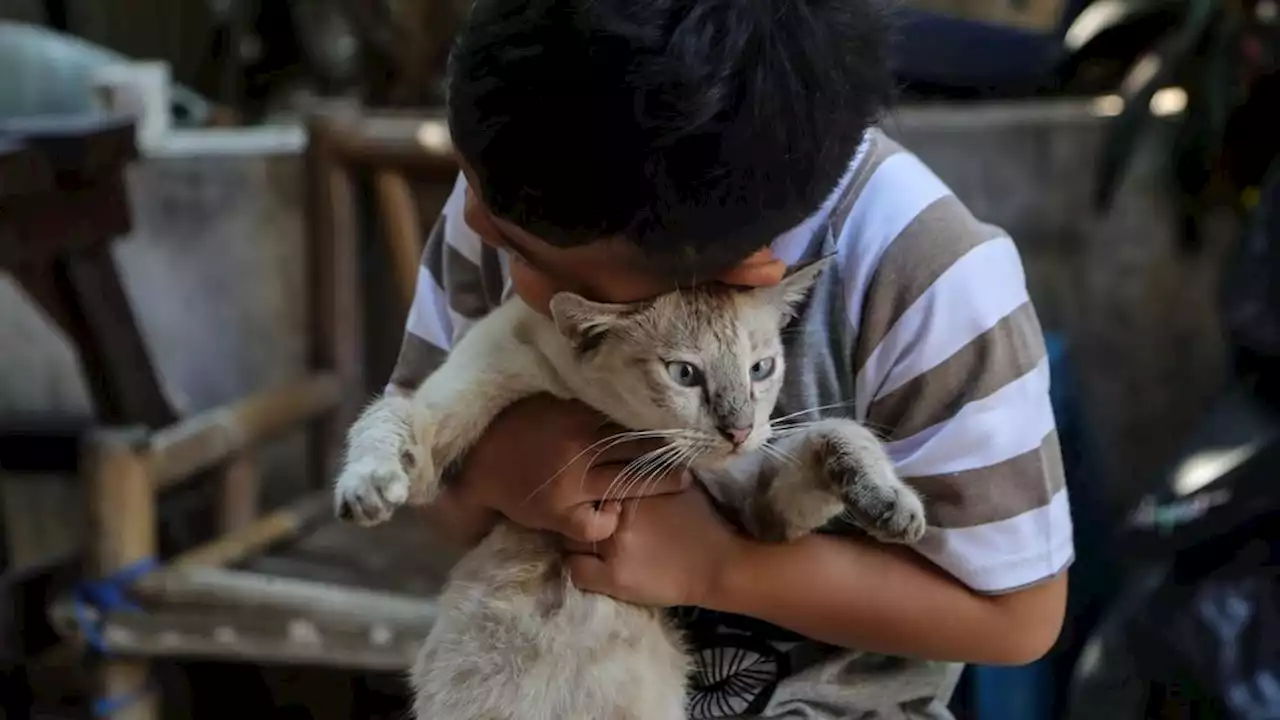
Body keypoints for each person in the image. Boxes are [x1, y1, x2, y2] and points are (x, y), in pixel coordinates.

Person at [385, 0, 1072, 717]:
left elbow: (1016, 616)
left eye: (522, 254)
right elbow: (419, 481)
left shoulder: (931, 278)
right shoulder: (523, 182)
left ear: (740, 274)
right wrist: (496, 467)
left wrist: (720, 568)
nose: (474, 226)